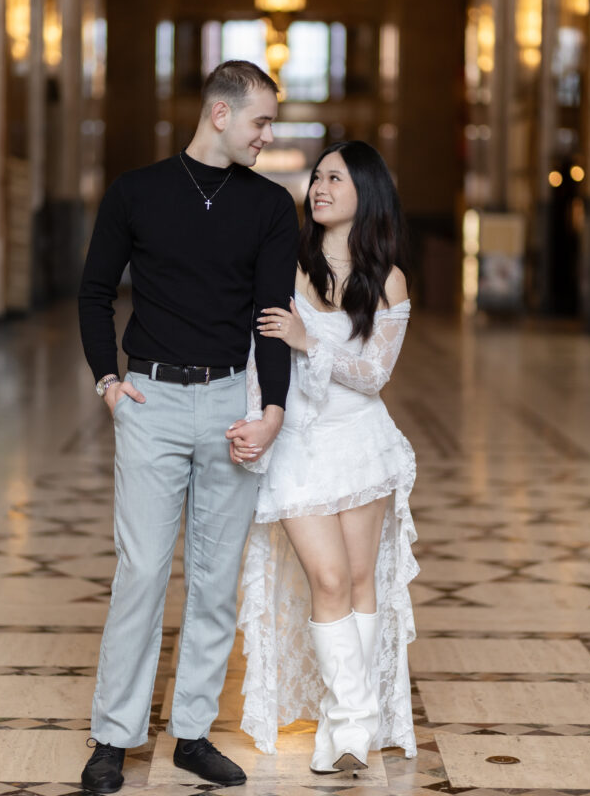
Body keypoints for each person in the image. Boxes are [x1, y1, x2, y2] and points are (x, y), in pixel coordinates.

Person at [77, 60, 299, 793]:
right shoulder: (137, 191)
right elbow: (93, 292)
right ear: (219, 114)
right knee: (140, 572)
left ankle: (193, 734)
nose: (269, 135)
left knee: (214, 580)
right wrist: (109, 381)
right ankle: (113, 736)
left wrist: (271, 412)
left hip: (232, 401)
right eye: (261, 121)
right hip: (150, 401)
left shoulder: (270, 207)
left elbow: (271, 319)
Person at [228, 140, 419, 772]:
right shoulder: (289, 264)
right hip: (298, 447)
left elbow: (375, 376)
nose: (319, 187)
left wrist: (312, 341)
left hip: (362, 444)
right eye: (317, 177)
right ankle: (355, 717)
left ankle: (348, 730)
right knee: (329, 579)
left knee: (361, 581)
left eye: (334, 177)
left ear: (366, 190)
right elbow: (261, 355)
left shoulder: (387, 279)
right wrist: (258, 421)